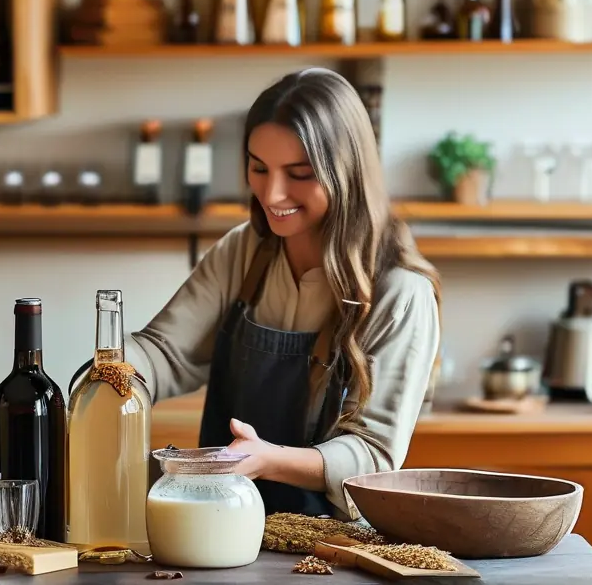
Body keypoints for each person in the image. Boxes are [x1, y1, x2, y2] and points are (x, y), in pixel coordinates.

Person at [85, 68, 440, 519]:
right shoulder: (244, 251)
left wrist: (268, 460)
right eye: (258, 168)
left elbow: (372, 456)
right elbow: (162, 353)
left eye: (299, 174)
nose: (272, 193)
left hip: (331, 549)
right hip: (218, 526)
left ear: (346, 172)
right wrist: (103, 379)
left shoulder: (401, 293)